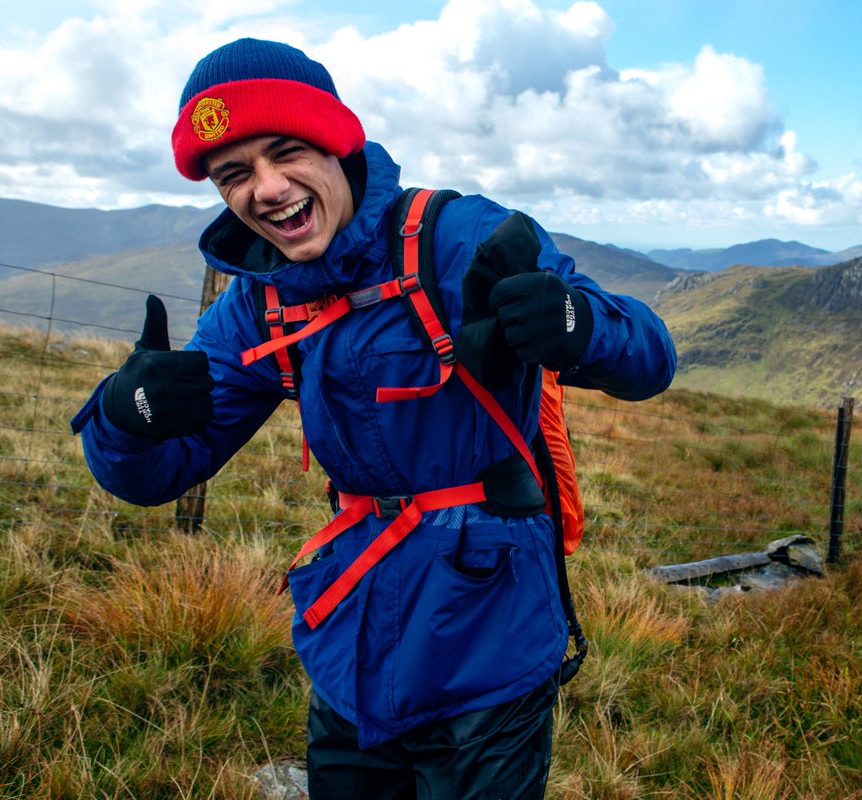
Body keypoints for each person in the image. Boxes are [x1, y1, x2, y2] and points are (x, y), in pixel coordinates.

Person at [71, 37, 676, 799]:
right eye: (234, 175)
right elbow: (157, 474)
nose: (266, 188)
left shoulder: (457, 238)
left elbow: (651, 355)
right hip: (354, 645)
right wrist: (127, 421)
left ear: (336, 141)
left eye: (285, 151)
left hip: (488, 644)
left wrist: (579, 325)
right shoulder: (258, 302)